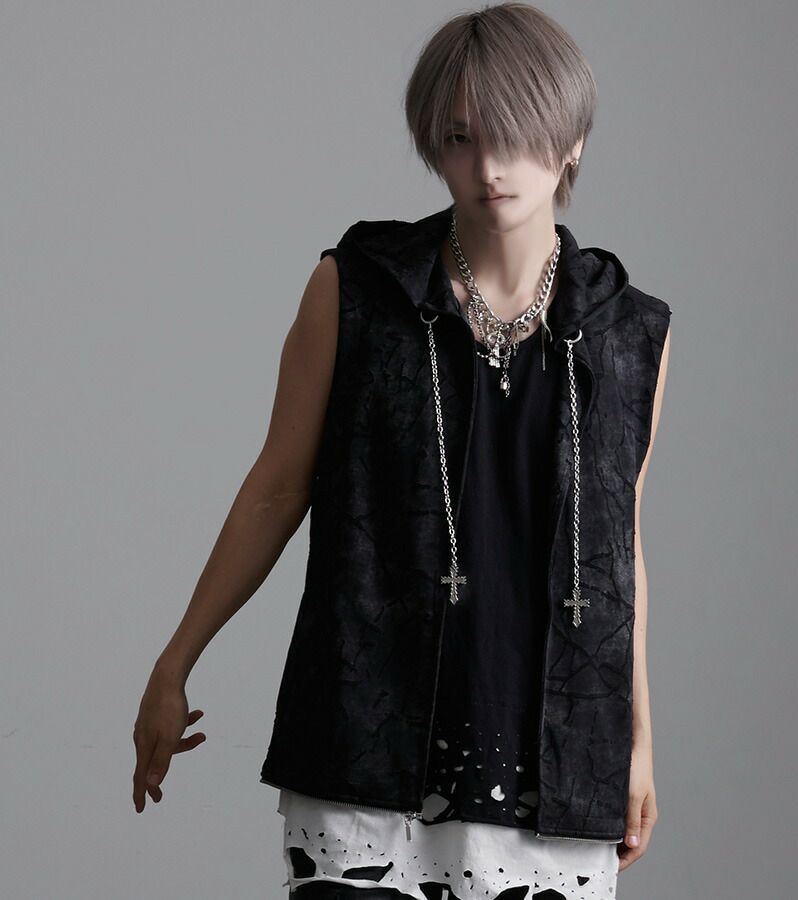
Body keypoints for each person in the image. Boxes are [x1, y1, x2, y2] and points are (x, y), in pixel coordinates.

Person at [132, 4, 671, 898]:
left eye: (515, 135)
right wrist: (174, 660)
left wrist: (639, 741)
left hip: (555, 754)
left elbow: (621, 550)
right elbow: (276, 487)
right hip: (369, 746)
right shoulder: (357, 290)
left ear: (571, 138)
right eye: (460, 139)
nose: (489, 167)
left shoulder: (629, 332)